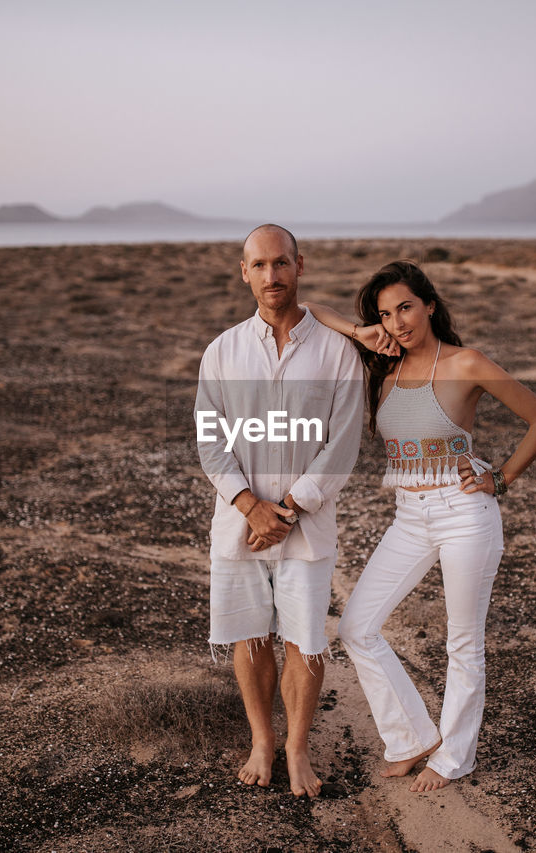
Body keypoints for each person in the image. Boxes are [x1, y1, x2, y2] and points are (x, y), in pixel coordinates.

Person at [304, 260, 536, 792]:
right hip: (409, 515)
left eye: (405, 307)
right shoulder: (383, 367)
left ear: (429, 306)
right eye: (385, 313)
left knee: (463, 642)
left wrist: (502, 478)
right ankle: (412, 739)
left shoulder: (467, 364)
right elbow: (311, 310)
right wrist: (361, 332)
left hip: (465, 513)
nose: (397, 322)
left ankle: (456, 756)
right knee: (356, 628)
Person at [194, 224, 364, 797]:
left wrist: (285, 511)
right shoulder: (222, 351)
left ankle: (297, 748)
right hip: (240, 526)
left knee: (304, 639)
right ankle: (262, 740)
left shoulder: (338, 351)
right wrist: (249, 507)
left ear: (299, 266)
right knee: (249, 635)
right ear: (244, 272)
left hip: (306, 528)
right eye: (260, 265)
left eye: (282, 263)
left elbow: (342, 444)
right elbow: (210, 440)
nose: (272, 275)